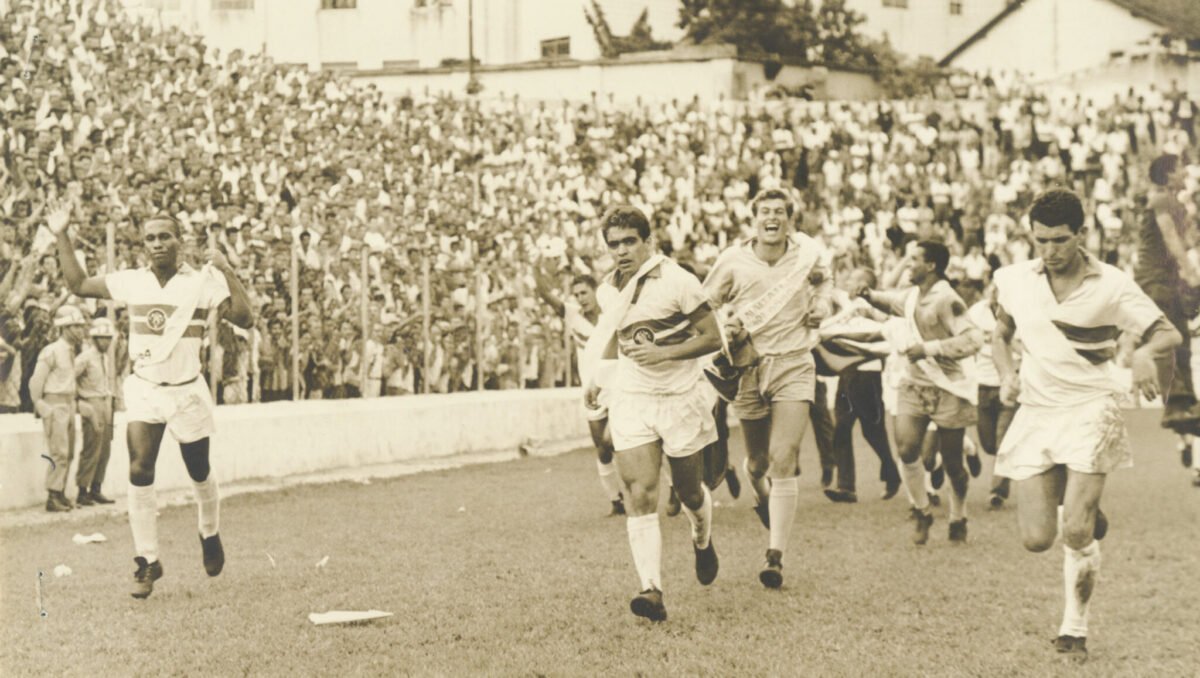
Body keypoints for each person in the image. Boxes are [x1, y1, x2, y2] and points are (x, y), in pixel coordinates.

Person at [991, 188, 1181, 663]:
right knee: (1037, 539)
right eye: (1041, 241)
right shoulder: (1013, 280)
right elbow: (1000, 333)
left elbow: (1168, 332)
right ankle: (1087, 511)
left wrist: (1143, 353)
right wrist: (1006, 374)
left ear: (1082, 233)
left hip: (1093, 407)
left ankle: (1074, 628)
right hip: (1038, 410)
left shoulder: (1112, 284)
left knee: (1075, 533)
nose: (1050, 251)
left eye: (1060, 240)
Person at [49, 201, 255, 599]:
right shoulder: (133, 281)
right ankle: (147, 560)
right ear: (143, 245)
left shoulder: (201, 282)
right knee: (140, 469)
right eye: (150, 239)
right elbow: (79, 285)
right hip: (145, 388)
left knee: (199, 469)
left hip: (187, 391)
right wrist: (60, 234)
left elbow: (246, 318)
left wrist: (228, 270)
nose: (157, 244)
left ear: (180, 241)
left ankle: (209, 531)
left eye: (164, 237)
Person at [582, 205, 723, 621]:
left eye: (630, 242)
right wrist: (599, 378)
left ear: (648, 241)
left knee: (689, 491)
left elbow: (712, 337)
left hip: (680, 397)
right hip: (634, 397)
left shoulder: (679, 281)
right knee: (640, 493)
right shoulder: (609, 288)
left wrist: (664, 353)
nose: (622, 251)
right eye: (614, 244)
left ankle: (702, 538)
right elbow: (616, 338)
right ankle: (651, 589)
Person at [702, 188, 831, 588]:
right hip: (748, 367)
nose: (772, 218)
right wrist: (726, 329)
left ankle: (775, 556)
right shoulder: (732, 260)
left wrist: (821, 306)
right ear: (754, 218)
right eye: (765, 212)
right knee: (758, 462)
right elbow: (705, 306)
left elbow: (823, 285)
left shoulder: (808, 255)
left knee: (784, 456)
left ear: (790, 219)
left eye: (779, 212)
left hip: (794, 362)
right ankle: (760, 492)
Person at [858, 240, 984, 545]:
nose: (907, 264)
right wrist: (869, 295)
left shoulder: (947, 299)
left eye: (914, 259)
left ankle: (958, 515)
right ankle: (922, 510)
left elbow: (973, 340)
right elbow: (893, 303)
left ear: (931, 266)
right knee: (906, 448)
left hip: (948, 387)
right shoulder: (915, 294)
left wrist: (929, 348)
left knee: (952, 463)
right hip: (914, 384)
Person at [534, 263, 624, 516]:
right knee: (602, 447)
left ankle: (669, 486)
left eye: (584, 292)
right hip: (591, 392)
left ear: (596, 291)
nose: (581, 299)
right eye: (576, 295)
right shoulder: (572, 316)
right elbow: (544, 293)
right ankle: (615, 500)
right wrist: (537, 266)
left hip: (617, 386)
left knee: (624, 441)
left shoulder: (611, 313)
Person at [1133, 154, 1200, 437]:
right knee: (1167, 337)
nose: (1185, 172)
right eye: (1180, 168)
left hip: (1168, 281)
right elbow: (1170, 237)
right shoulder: (1160, 199)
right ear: (1169, 174)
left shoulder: (1173, 202)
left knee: (1181, 340)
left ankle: (1186, 404)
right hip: (1154, 279)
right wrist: (1191, 273)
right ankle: (1175, 404)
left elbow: (1186, 238)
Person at [29, 305, 89, 512]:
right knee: (58, 452)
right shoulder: (52, 351)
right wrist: (40, 404)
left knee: (69, 451)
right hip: (55, 403)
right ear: (65, 328)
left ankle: (60, 491)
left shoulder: (71, 351)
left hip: (68, 403)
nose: (81, 331)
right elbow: (36, 381)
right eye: (76, 326)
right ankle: (53, 495)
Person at [968, 283, 1017, 509]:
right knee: (988, 443)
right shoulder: (976, 312)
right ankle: (971, 449)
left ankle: (998, 491)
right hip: (982, 384)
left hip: (1009, 384)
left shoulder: (1020, 310)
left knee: (1003, 442)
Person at [75, 316, 117, 506]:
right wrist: (80, 401)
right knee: (91, 448)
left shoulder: (105, 358)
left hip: (105, 402)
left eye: (109, 338)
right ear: (94, 338)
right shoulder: (85, 358)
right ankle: (82, 491)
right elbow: (69, 379)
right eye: (102, 338)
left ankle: (96, 488)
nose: (106, 342)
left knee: (105, 449)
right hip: (92, 403)